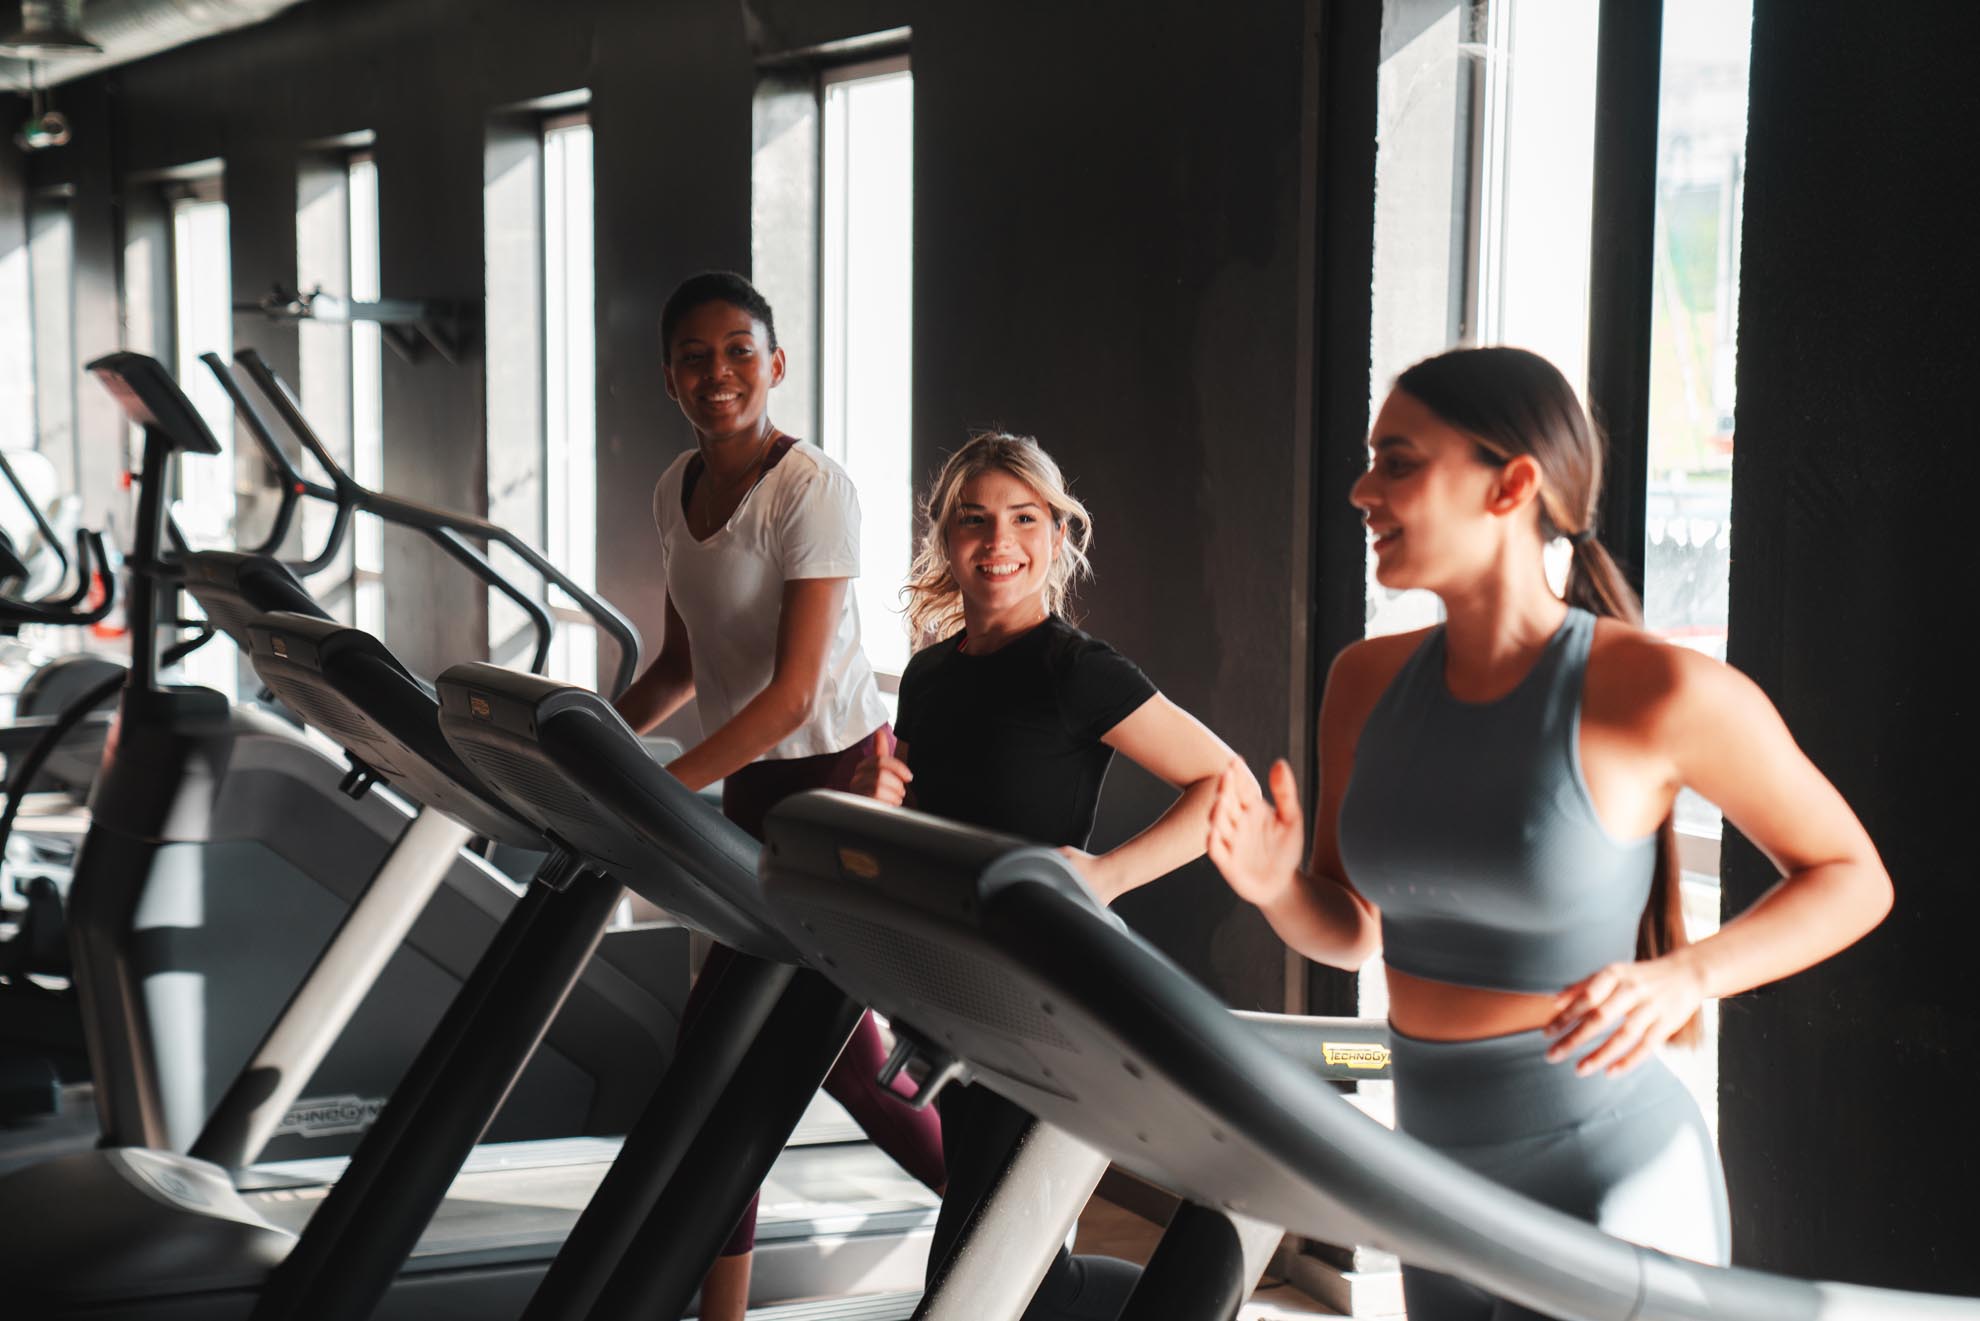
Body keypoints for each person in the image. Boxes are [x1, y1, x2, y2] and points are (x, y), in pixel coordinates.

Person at [1204, 346, 1893, 1319]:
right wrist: (1276, 887)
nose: (1361, 488)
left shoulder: (1655, 689)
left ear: (1512, 484)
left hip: (1613, 1178)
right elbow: (1353, 927)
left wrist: (1689, 975)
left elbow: (1853, 875)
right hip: (1436, 1177)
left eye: (1397, 460)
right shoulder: (1362, 681)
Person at [612, 270, 944, 1321]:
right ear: (670, 377)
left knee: (743, 1056)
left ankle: (1023, 1221)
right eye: (697, 357)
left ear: (776, 363)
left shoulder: (813, 492)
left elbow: (793, 688)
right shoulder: (674, 489)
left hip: (833, 786)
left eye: (739, 350)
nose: (720, 372)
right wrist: (592, 746)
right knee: (793, 1058)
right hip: (746, 782)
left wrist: (664, 786)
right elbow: (680, 665)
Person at [850, 431, 1242, 1319]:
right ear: (944, 536)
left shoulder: (1077, 672)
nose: (1000, 541)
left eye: (1025, 518)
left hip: (1041, 998)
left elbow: (1228, 785)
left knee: (969, 1271)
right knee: (1013, 1263)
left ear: (1058, 535)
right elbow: (922, 825)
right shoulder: (929, 673)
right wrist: (876, 798)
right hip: (947, 988)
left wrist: (1104, 875)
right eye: (976, 519)